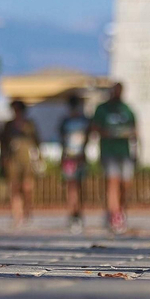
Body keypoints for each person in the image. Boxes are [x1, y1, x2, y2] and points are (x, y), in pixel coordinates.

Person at [90, 84, 137, 235]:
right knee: (112, 183)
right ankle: (114, 215)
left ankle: (120, 210)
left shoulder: (127, 109)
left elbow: (134, 129)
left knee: (125, 184)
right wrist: (107, 132)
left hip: (124, 152)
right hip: (109, 151)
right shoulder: (102, 109)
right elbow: (94, 127)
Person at [0, 100, 41, 227]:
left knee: (27, 187)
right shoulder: (8, 125)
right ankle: (17, 214)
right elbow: (3, 143)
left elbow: (37, 141)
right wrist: (3, 158)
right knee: (14, 187)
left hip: (27, 160)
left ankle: (28, 210)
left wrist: (39, 158)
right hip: (12, 160)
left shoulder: (29, 124)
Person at [58, 94, 91, 233]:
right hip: (71, 158)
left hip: (76, 157)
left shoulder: (74, 121)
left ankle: (77, 214)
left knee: (78, 187)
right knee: (72, 187)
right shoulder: (69, 121)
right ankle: (73, 214)